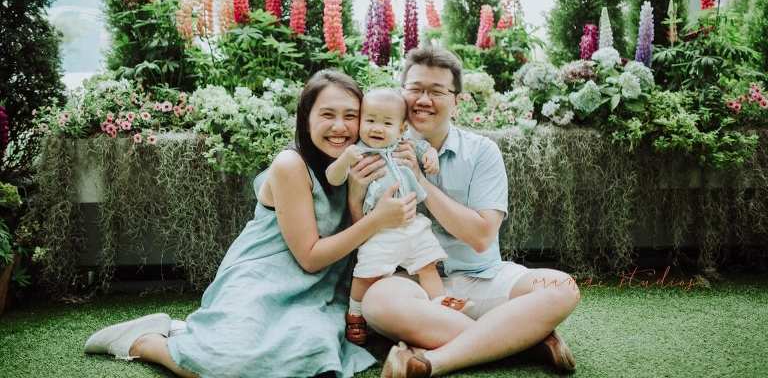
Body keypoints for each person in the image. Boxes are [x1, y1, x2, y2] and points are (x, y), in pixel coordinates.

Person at [83, 70, 418, 378]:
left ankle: (194, 333)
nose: (340, 127)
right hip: (264, 276)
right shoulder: (291, 164)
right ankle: (145, 340)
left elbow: (364, 236)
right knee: (232, 365)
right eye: (327, 115)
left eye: (351, 116)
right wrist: (376, 219)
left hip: (320, 287)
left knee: (309, 353)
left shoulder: (363, 161)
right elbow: (311, 256)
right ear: (306, 119)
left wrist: (359, 197)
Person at [347, 47, 581, 377]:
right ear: (402, 93)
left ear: (457, 101)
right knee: (376, 305)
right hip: (411, 282)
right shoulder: (373, 150)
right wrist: (356, 197)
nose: (423, 99)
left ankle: (431, 362)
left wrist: (419, 182)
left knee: (562, 288)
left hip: (481, 276)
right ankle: (525, 339)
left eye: (437, 91)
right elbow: (363, 235)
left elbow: (481, 237)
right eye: (415, 89)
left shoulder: (482, 152)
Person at [325, 88, 468, 345]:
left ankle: (439, 302)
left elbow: (427, 149)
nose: (377, 128)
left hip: (412, 224)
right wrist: (345, 159)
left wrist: (431, 155)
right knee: (367, 273)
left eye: (386, 123)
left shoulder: (406, 145)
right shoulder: (358, 151)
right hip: (379, 230)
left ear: (402, 128)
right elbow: (333, 177)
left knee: (427, 265)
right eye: (370, 120)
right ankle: (355, 313)